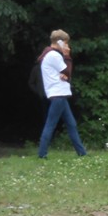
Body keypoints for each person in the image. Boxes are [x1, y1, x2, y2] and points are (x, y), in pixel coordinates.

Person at [37, 30, 87, 158]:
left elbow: (65, 74)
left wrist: (65, 74)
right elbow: (67, 71)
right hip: (58, 94)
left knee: (71, 124)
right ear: (60, 42)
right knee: (50, 124)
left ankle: (82, 153)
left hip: (60, 94)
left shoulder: (49, 54)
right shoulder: (54, 55)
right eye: (66, 43)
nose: (67, 46)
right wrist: (67, 56)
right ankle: (42, 154)